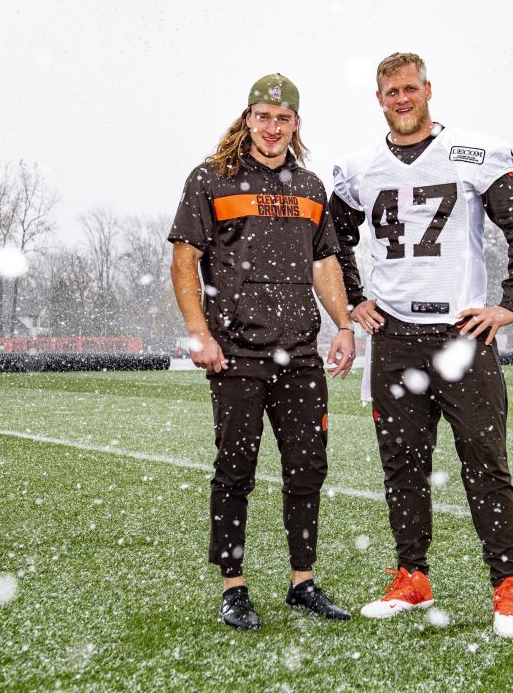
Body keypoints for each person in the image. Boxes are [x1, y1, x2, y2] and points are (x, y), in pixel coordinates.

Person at [329, 52, 513, 638]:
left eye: (409, 88)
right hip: (394, 335)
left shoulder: (473, 153)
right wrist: (353, 297)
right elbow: (333, 240)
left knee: (485, 464)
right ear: (379, 98)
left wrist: (512, 299)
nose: (401, 99)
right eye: (390, 91)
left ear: (428, 90)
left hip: (461, 335)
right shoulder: (359, 169)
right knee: (402, 465)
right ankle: (412, 576)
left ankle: (507, 588)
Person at [168, 73, 357, 630]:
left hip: (299, 352)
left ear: (295, 124)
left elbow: (325, 263)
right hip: (237, 352)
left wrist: (343, 326)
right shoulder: (211, 179)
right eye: (263, 116)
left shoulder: (311, 187)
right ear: (247, 119)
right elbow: (185, 259)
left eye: (284, 119)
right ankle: (234, 588)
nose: (273, 128)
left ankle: (302, 582)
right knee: (235, 469)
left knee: (308, 469)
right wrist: (199, 333)